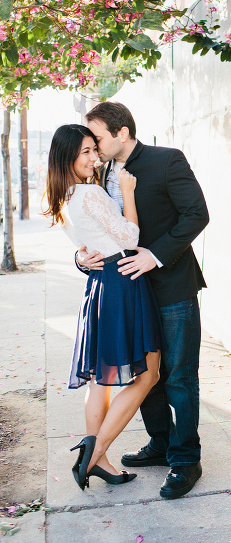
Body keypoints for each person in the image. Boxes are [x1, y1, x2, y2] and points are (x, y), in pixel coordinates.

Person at [75, 102, 210, 500]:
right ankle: (161, 443)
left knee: (179, 378)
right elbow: (92, 230)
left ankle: (186, 460)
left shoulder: (167, 161)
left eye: (97, 138)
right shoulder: (97, 174)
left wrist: (155, 254)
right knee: (143, 378)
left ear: (122, 133)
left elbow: (196, 214)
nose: (93, 147)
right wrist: (81, 259)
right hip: (127, 296)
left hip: (171, 288)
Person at [43, 124, 162, 490]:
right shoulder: (90, 193)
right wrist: (127, 192)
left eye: (95, 150)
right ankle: (93, 455)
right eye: (86, 153)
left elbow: (85, 248)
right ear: (67, 157)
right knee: (149, 374)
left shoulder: (61, 197)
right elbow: (130, 236)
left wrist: (82, 258)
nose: (95, 159)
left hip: (99, 286)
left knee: (100, 383)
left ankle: (101, 461)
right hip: (121, 281)